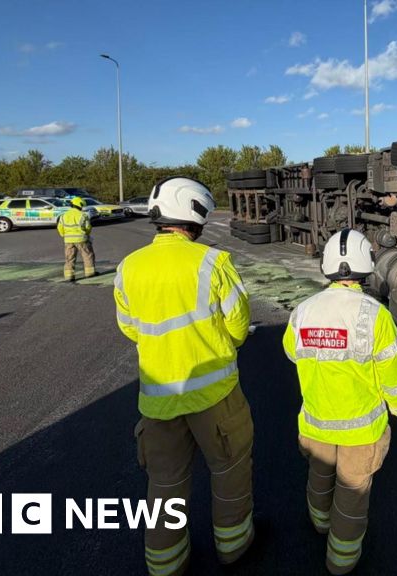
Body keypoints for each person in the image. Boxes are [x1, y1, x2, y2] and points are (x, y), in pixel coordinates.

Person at [114, 177, 254, 576]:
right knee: (229, 472)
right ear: (195, 212)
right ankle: (234, 547)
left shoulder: (128, 267)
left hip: (158, 398)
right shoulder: (213, 262)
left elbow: (129, 327)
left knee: (165, 483)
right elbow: (238, 326)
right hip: (215, 397)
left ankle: (165, 563)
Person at [282, 229, 397, 575]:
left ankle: (319, 522)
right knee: (352, 492)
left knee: (319, 474)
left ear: (327, 266)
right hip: (361, 431)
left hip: (316, 423)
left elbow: (292, 352)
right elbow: (394, 376)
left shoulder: (303, 310)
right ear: (366, 266)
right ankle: (340, 560)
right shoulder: (376, 315)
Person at [57, 196, 95, 281]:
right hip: (81, 239)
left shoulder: (63, 215)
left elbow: (60, 228)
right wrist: (87, 234)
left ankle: (69, 276)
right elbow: (88, 227)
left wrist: (64, 235)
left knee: (69, 258)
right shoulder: (83, 215)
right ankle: (89, 273)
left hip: (68, 240)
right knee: (87, 255)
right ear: (79, 205)